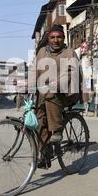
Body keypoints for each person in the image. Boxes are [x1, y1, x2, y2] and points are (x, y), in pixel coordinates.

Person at [34, 25, 83, 169]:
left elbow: (73, 74)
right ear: (48, 39)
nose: (56, 40)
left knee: (51, 94)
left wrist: (59, 83)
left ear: (63, 38)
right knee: (39, 121)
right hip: (44, 93)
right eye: (52, 37)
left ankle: (56, 131)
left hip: (65, 93)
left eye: (59, 37)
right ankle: (44, 154)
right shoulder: (42, 52)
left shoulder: (70, 53)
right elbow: (34, 70)